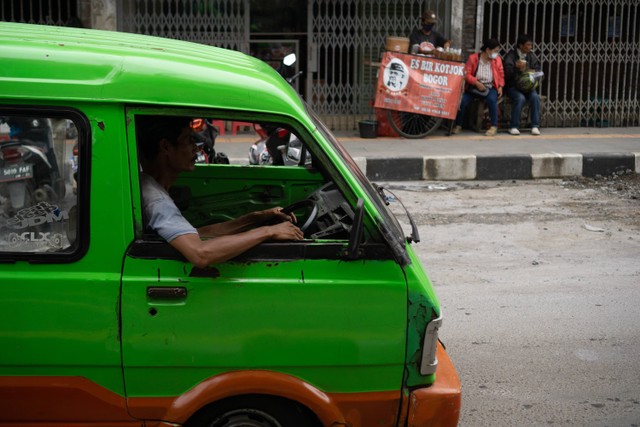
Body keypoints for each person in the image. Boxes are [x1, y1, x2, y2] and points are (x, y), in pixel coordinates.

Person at [136, 116, 303, 268]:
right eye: (189, 141)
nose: (197, 148)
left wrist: (259, 217)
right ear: (166, 146)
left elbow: (198, 234)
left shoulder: (149, 186)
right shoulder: (157, 201)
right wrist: (269, 232)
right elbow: (200, 254)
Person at [452, 38, 505, 136]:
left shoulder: (497, 60)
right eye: (495, 51)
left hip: (490, 86)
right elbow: (466, 74)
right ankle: (458, 125)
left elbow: (501, 74)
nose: (496, 54)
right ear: (488, 50)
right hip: (474, 87)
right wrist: (476, 83)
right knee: (462, 101)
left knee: (492, 100)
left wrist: (500, 86)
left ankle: (494, 126)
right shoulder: (473, 58)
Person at [503, 34, 542, 136]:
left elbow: (538, 70)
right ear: (520, 45)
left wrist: (532, 72)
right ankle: (514, 126)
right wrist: (516, 68)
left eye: (530, 45)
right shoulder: (511, 56)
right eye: (528, 45)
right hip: (513, 86)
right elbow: (507, 72)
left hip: (528, 86)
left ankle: (535, 126)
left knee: (535, 97)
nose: (530, 47)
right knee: (520, 98)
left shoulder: (531, 56)